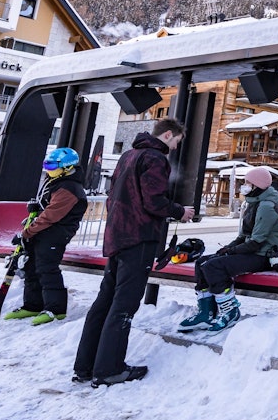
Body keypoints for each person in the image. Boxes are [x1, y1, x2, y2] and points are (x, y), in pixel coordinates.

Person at [73, 118, 194, 387]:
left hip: (117, 235)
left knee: (104, 302)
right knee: (124, 306)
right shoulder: (155, 158)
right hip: (139, 238)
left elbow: (114, 195)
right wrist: (180, 211)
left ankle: (85, 366)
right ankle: (109, 369)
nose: (175, 148)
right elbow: (154, 201)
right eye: (176, 141)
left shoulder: (128, 155)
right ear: (168, 135)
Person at [177, 166, 278, 333]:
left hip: (265, 256)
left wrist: (231, 252)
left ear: (257, 185)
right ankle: (206, 313)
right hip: (254, 251)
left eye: (247, 183)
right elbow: (243, 237)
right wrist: (227, 248)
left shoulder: (266, 206)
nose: (244, 186)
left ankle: (230, 311)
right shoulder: (253, 203)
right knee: (202, 262)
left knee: (214, 266)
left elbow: (256, 242)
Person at [3, 147, 88, 325]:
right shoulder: (55, 181)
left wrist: (26, 232)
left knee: (47, 268)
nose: (48, 169)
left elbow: (51, 215)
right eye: (46, 165)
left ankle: (56, 309)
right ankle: (33, 305)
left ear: (67, 167)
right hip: (42, 231)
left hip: (56, 233)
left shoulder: (69, 188)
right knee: (32, 267)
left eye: (52, 166)